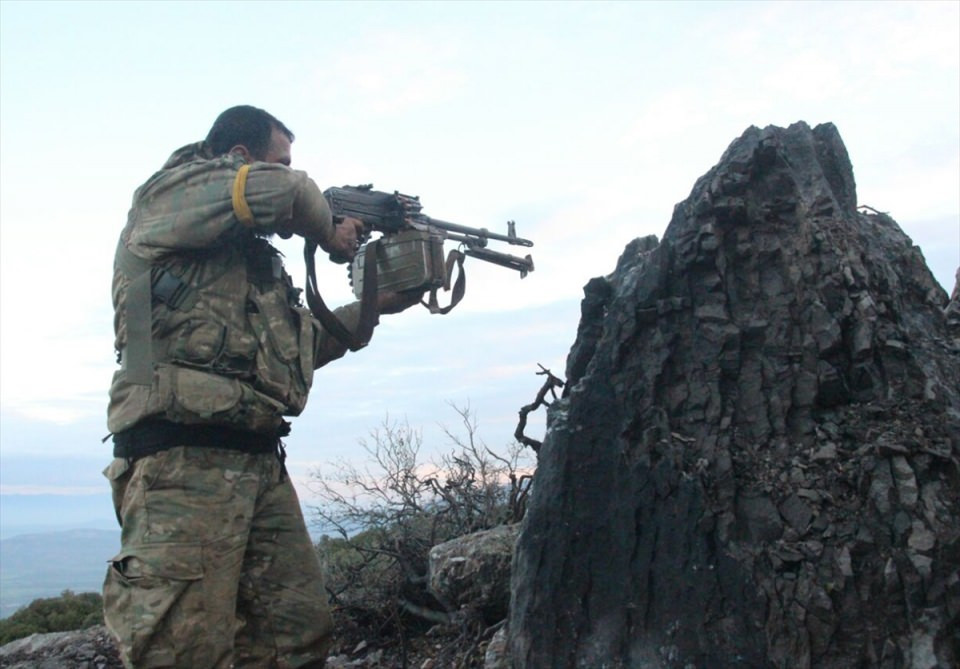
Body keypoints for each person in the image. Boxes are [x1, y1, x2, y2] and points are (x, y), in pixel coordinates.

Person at [102, 105, 421, 668]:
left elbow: (297, 348)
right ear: (239, 157)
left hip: (257, 459)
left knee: (294, 636)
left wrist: (377, 304)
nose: (289, 171)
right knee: (183, 652)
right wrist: (332, 233)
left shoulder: (250, 261)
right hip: (180, 462)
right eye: (280, 159)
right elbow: (289, 192)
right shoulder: (168, 197)